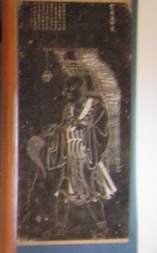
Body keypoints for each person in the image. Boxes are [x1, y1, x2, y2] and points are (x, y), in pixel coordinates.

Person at [41, 75, 116, 238]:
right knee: (64, 192)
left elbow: (104, 133)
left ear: (82, 91)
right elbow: (65, 128)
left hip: (88, 158)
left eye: (73, 91)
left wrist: (87, 128)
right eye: (67, 91)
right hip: (71, 159)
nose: (69, 95)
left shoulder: (96, 108)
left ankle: (103, 228)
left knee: (91, 192)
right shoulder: (68, 109)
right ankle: (59, 228)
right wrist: (56, 131)